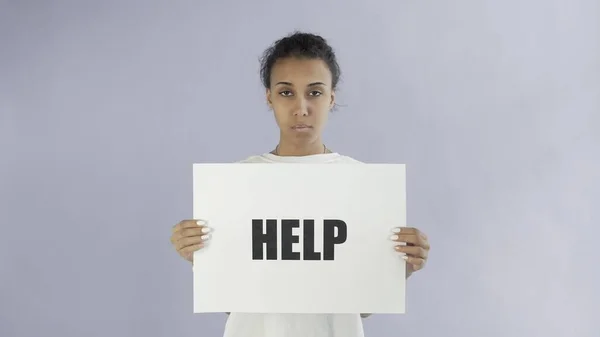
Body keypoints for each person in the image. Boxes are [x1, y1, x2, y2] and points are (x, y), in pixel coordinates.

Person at [170, 31, 431, 337]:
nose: (301, 108)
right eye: (286, 92)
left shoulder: (361, 184)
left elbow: (359, 308)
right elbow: (238, 301)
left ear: (332, 97)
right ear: (269, 97)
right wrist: (200, 257)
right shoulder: (237, 182)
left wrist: (400, 269)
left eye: (315, 92)